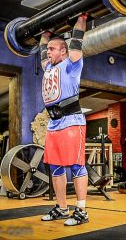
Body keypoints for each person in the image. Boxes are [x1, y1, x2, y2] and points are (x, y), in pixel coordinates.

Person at [39, 14, 88, 226]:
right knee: (56, 167)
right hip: (54, 124)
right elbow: (41, 50)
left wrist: (82, 18)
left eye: (52, 49)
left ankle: (81, 211)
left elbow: (77, 41)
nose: (48, 52)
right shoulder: (49, 67)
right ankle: (61, 208)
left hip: (72, 122)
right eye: (48, 49)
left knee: (76, 165)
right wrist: (44, 33)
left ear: (63, 51)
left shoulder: (72, 64)